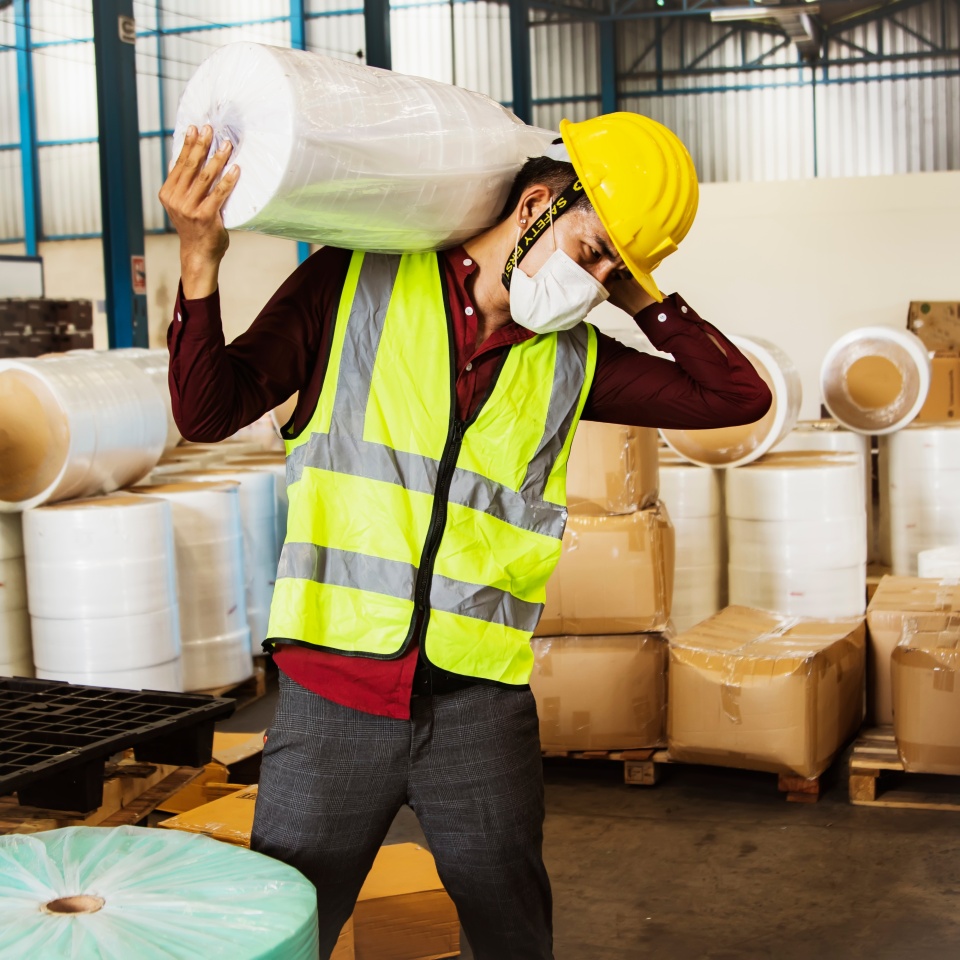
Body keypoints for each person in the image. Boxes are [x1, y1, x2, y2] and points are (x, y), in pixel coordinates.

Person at [160, 112, 771, 960]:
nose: (594, 282)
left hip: (477, 710)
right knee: (284, 934)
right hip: (334, 699)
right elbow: (207, 410)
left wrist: (639, 292)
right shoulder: (354, 284)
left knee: (514, 938)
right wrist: (200, 260)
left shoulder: (575, 359)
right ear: (536, 206)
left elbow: (737, 399)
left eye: (612, 273)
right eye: (593, 252)